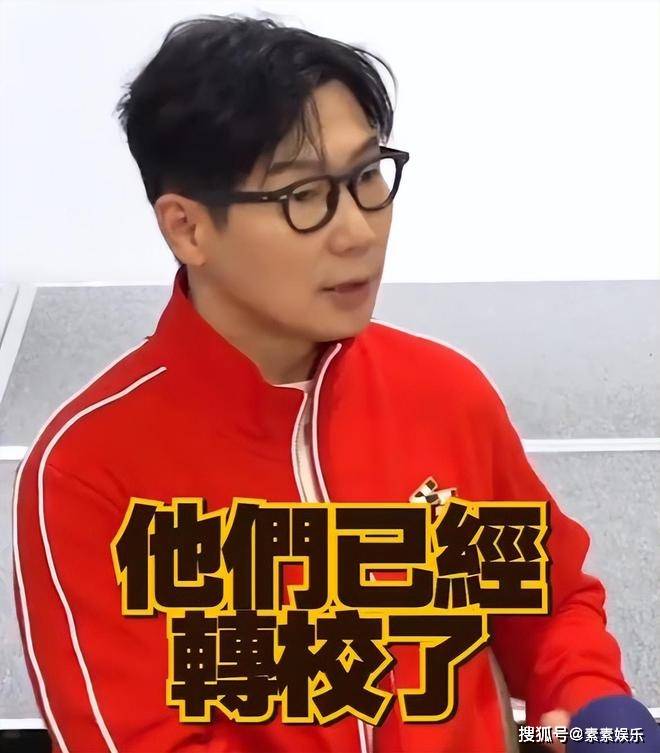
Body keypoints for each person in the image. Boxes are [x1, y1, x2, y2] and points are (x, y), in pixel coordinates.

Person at [13, 14, 630, 753]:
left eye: (367, 177)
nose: (359, 232)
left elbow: (553, 605)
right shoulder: (86, 475)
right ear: (187, 228)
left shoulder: (446, 393)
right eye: (303, 196)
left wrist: (597, 711)